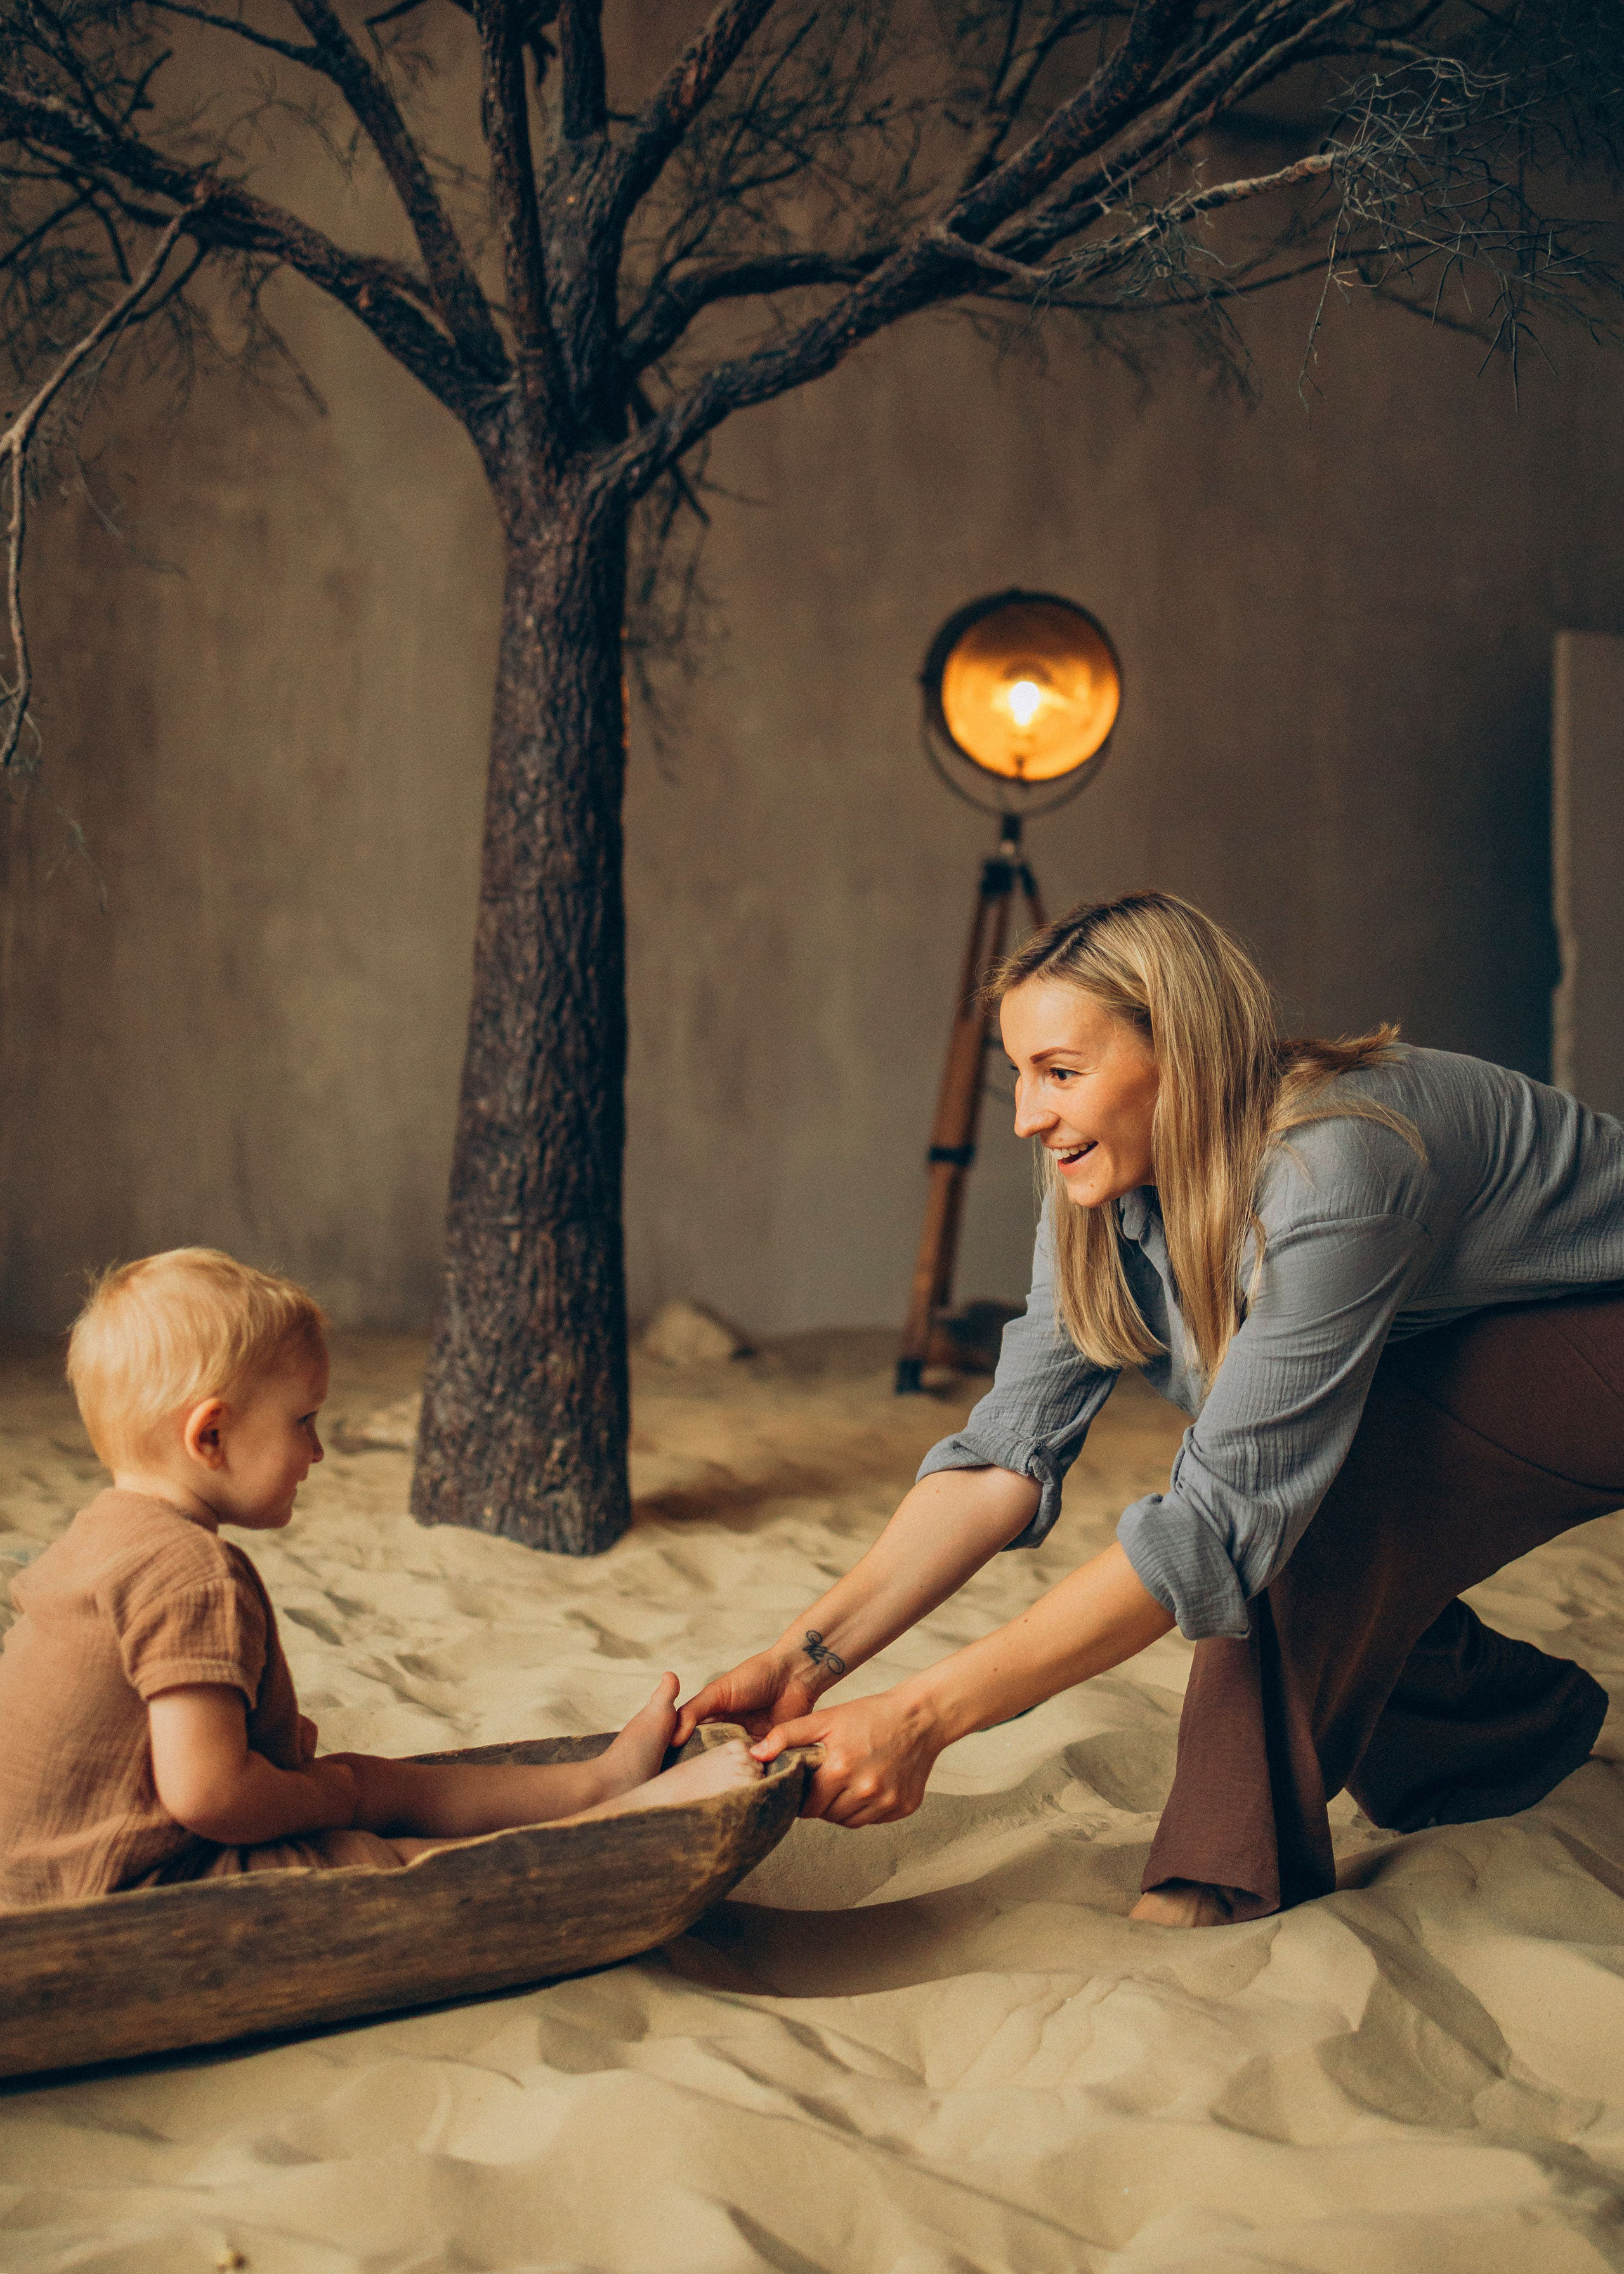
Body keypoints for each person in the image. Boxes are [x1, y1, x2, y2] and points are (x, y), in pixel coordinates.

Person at [676, 891, 1624, 1926]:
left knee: (1291, 1493)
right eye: (1020, 1075)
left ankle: (1213, 1878)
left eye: (1061, 1073)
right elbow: (1002, 1457)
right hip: (1488, 1334)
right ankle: (1506, 1735)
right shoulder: (1100, 1184)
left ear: (1182, 1054)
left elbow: (1215, 1524)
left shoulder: (1335, 1162)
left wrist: (921, 1717)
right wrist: (802, 1660)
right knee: (1302, 1473)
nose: (1028, 1117)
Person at [0, 1248, 756, 1911]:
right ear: (212, 1434)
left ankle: (595, 1782)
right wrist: (319, 1799)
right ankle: (620, 1820)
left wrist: (319, 1777)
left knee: (368, 1783)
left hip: (61, 1861)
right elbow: (208, 1794)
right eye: (303, 1421)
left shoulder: (97, 1535)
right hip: (124, 1889)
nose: (318, 1452)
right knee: (376, 1860)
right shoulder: (187, 1571)